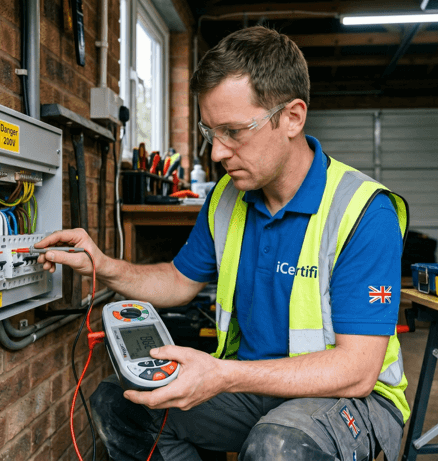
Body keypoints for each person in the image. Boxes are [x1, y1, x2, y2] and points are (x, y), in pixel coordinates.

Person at [35, 25, 410, 461]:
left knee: (277, 446)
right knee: (122, 405)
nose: (216, 153)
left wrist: (222, 375)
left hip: (350, 400)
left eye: (233, 131)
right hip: (251, 387)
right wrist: (103, 265)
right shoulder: (226, 200)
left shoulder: (363, 211)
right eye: (211, 132)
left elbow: (357, 371)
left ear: (292, 117)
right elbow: (178, 281)